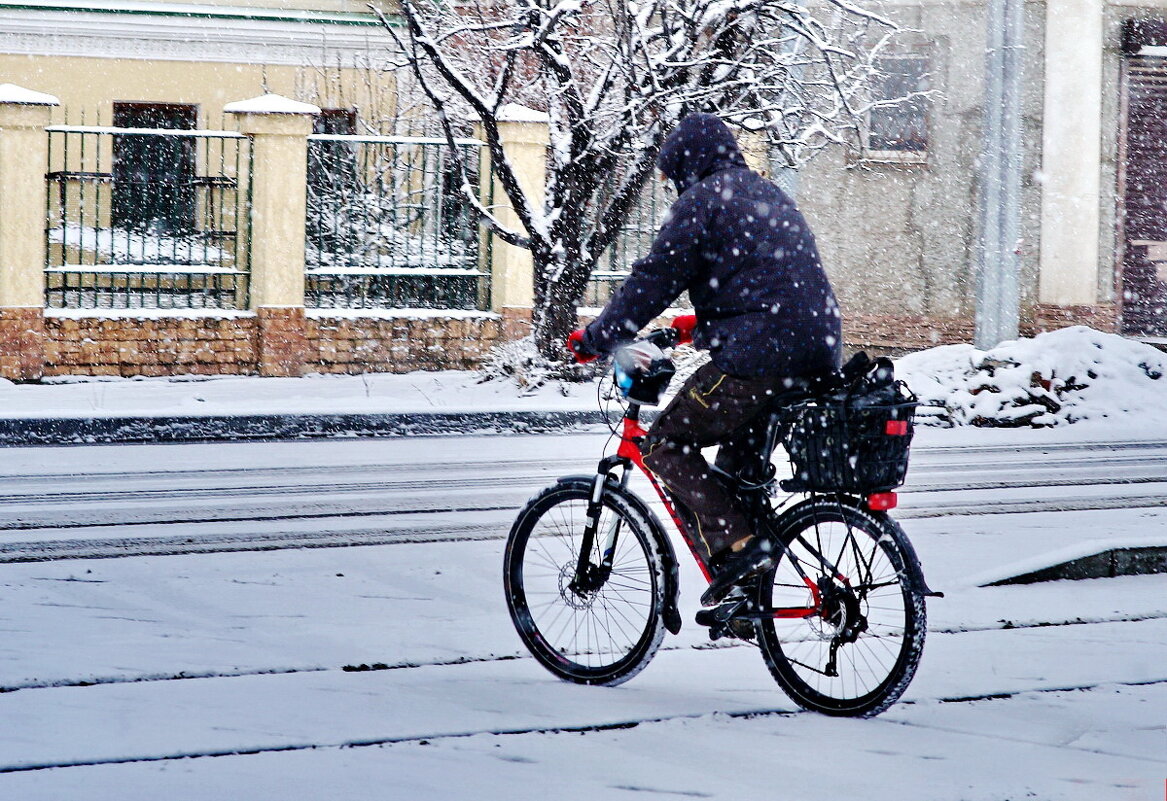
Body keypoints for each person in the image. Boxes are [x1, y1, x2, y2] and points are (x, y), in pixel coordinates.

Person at [566, 113, 842, 607]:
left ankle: (742, 551)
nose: (673, 189)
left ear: (686, 166)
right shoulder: (767, 193)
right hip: (815, 349)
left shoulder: (702, 202)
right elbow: (764, 279)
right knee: (738, 474)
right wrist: (709, 325)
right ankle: (749, 598)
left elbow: (653, 279)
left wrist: (598, 336)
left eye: (672, 179)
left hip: (762, 355)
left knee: (664, 444)